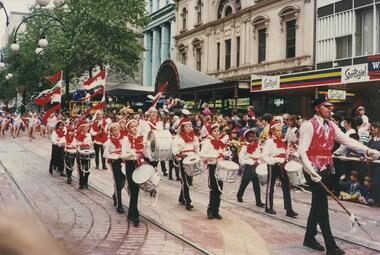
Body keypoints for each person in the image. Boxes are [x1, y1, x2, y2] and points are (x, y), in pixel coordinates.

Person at [298, 95, 379, 255]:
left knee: (317, 204)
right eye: (326, 106)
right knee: (322, 205)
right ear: (317, 108)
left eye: (331, 107)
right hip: (313, 169)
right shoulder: (308, 125)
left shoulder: (331, 126)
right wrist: (311, 171)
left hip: (327, 167)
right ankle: (331, 245)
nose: (330, 109)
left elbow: (347, 141)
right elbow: (302, 151)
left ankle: (309, 237)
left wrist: (367, 150)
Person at [262, 121, 298, 218]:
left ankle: (289, 209)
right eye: (277, 130)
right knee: (271, 186)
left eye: (281, 130)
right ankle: (268, 207)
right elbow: (264, 156)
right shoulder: (269, 141)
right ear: (272, 131)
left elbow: (284, 153)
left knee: (286, 186)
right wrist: (275, 160)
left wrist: (288, 153)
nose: (279, 132)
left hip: (283, 165)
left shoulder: (282, 141)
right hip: (273, 165)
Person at [200, 124, 229, 220]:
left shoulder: (221, 142)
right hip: (212, 167)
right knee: (213, 189)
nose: (217, 132)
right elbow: (202, 154)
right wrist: (211, 157)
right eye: (214, 131)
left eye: (218, 131)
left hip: (220, 168)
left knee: (220, 189)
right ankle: (210, 210)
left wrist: (225, 154)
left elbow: (224, 152)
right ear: (211, 132)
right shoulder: (207, 142)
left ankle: (216, 210)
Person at [172, 117, 200, 211]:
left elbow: (197, 149)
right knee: (185, 181)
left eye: (190, 126)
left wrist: (196, 156)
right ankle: (188, 201)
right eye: (186, 126)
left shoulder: (194, 137)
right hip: (183, 160)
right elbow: (175, 150)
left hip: (191, 160)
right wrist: (180, 154)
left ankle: (181, 197)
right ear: (182, 127)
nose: (189, 128)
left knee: (188, 180)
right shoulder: (178, 138)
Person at [123, 119, 145, 226]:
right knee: (133, 189)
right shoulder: (126, 139)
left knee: (136, 189)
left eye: (136, 126)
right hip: (130, 165)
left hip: (140, 164)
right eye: (132, 126)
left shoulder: (141, 138)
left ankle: (132, 212)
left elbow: (145, 151)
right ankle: (134, 214)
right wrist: (132, 153)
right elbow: (123, 155)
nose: (135, 128)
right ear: (128, 128)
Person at [237, 129, 264, 207]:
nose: (252, 138)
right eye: (250, 136)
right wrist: (250, 162)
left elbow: (259, 155)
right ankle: (239, 195)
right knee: (244, 183)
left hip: (256, 166)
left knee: (256, 184)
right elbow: (241, 159)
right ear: (246, 138)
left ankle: (258, 201)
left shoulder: (257, 145)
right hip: (248, 167)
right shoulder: (245, 147)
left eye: (253, 136)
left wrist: (258, 162)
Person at [104, 123, 125, 214]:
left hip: (123, 162)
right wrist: (115, 156)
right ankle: (119, 205)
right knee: (117, 182)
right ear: (111, 132)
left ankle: (115, 195)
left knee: (123, 182)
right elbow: (105, 155)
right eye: (114, 130)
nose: (117, 132)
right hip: (115, 162)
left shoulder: (123, 140)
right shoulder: (109, 142)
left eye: (118, 130)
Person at [74, 119, 93, 189]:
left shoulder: (88, 135)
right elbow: (75, 143)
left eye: (87, 127)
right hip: (79, 152)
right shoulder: (77, 135)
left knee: (87, 168)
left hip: (87, 152)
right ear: (82, 127)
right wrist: (82, 143)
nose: (87, 129)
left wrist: (88, 143)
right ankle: (81, 183)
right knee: (80, 168)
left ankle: (86, 182)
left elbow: (90, 143)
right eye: (85, 127)